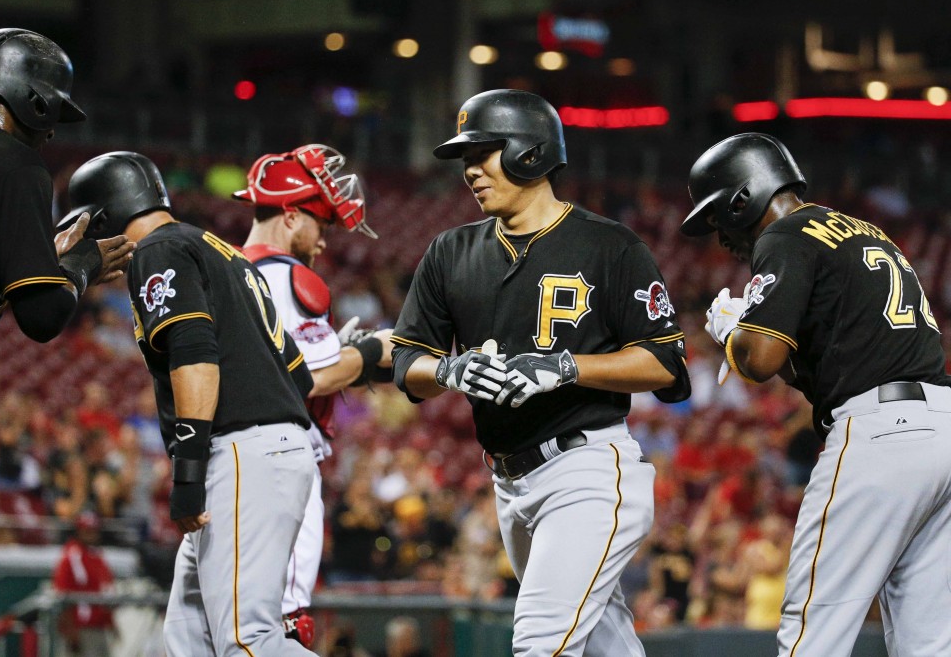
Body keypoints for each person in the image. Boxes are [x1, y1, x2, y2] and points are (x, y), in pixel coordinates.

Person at [391, 89, 690, 656]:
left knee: (540, 640)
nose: (470, 171)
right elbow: (408, 361)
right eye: (464, 160)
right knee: (604, 643)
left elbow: (664, 361)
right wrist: (451, 370)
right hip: (509, 481)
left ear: (529, 151)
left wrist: (567, 366)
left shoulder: (610, 246)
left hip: (588, 467)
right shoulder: (450, 252)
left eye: (482, 153)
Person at [679, 132, 951, 657]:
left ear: (744, 196)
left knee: (813, 627)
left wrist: (732, 334)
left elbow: (760, 360)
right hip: (939, 428)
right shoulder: (866, 232)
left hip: (880, 435)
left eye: (718, 217)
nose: (719, 237)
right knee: (929, 642)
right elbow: (830, 364)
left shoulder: (784, 235)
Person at [60, 151, 317, 656]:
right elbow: (299, 374)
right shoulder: (223, 250)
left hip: (241, 451)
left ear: (106, 216)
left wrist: (189, 472)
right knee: (188, 638)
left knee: (248, 641)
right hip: (266, 449)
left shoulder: (158, 249)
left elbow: (195, 356)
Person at [0, 28, 133, 656]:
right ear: (31, 97)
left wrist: (38, 253)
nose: (51, 128)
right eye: (52, 109)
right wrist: (79, 268)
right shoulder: (11, 160)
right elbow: (42, 316)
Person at [231, 143, 394, 647]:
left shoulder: (227, 268)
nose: (325, 239)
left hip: (228, 460)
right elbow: (314, 379)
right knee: (282, 623)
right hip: (279, 460)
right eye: (320, 223)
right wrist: (372, 350)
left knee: (215, 623)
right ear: (290, 216)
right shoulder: (287, 275)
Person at [51, 512, 116, 657]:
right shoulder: (71, 555)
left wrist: (111, 624)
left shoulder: (97, 555)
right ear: (79, 531)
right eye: (87, 531)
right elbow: (63, 594)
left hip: (98, 628)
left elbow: (105, 590)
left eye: (94, 530)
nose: (91, 535)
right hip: (81, 630)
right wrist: (71, 632)